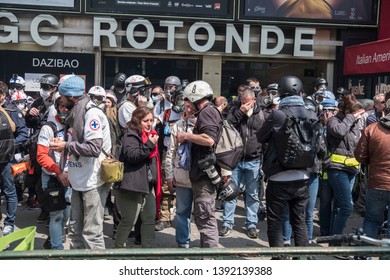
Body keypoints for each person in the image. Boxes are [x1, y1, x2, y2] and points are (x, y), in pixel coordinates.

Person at [49, 75, 112, 249]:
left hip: (93, 180)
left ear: (71, 96)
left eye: (62, 96)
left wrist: (66, 145)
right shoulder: (75, 113)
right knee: (75, 232)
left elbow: (93, 149)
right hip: (79, 179)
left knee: (92, 234)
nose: (60, 100)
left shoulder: (91, 113)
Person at [257, 75, 318, 250]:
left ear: (281, 94)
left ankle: (279, 259)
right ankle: (302, 259)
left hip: (278, 177)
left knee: (275, 222)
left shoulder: (278, 114)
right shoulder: (311, 114)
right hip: (303, 176)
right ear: (300, 93)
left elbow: (260, 136)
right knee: (299, 221)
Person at [177, 80, 222, 248]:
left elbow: (209, 140)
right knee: (204, 217)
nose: (187, 103)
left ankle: (209, 259)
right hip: (204, 174)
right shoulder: (209, 111)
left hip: (204, 177)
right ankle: (207, 254)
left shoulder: (206, 112)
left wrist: (186, 136)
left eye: (188, 99)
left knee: (205, 218)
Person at [219, 88, 265, 239]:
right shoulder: (235, 111)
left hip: (254, 160)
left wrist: (262, 159)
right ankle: (227, 223)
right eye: (243, 102)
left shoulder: (261, 115)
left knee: (252, 195)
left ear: (254, 100)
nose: (245, 105)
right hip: (236, 160)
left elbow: (265, 138)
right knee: (231, 192)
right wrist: (240, 111)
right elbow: (227, 124)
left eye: (247, 103)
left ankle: (251, 224)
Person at [114, 106, 160, 248]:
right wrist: (149, 145)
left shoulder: (150, 135)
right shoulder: (129, 135)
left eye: (151, 120)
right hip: (131, 185)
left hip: (148, 184)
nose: (149, 123)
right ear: (137, 121)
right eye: (146, 120)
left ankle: (148, 252)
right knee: (129, 220)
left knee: (149, 219)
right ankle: (118, 251)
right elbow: (133, 156)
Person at [325, 93, 365, 241]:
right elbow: (339, 131)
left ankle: (332, 240)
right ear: (348, 112)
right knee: (347, 207)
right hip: (337, 169)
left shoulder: (356, 123)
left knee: (339, 207)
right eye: (357, 115)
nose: (360, 118)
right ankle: (337, 242)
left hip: (351, 170)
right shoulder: (333, 121)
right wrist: (351, 117)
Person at [37, 94, 71, 249]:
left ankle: (53, 238)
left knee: (66, 214)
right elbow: (41, 156)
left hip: (71, 176)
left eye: (68, 106)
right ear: (57, 107)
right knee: (56, 215)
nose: (65, 109)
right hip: (52, 176)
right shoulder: (48, 127)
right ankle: (58, 250)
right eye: (62, 106)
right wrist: (58, 172)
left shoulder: (74, 126)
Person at [354, 99, 390, 239]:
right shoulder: (372, 128)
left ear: (383, 111)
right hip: (377, 182)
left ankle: (367, 255)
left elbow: (360, 156)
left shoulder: (372, 128)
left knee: (371, 221)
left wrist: (373, 161)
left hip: (377, 183)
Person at [25, 73, 59, 217]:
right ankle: (45, 210)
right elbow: (29, 123)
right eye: (42, 87)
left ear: (54, 88)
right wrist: (29, 114)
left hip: (55, 144)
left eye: (46, 87)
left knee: (56, 180)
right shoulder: (38, 102)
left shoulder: (60, 102)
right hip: (38, 145)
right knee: (39, 182)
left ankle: (57, 211)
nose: (43, 90)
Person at [154, 76, 184, 231]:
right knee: (166, 183)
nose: (169, 91)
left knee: (184, 184)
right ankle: (165, 216)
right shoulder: (162, 107)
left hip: (184, 150)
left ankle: (181, 214)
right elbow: (155, 123)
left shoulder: (188, 107)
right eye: (167, 87)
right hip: (167, 150)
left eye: (172, 88)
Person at [165, 101, 196, 248]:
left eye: (191, 106)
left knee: (203, 215)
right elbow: (170, 152)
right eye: (186, 106)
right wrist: (169, 176)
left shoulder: (207, 123)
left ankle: (207, 247)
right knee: (182, 212)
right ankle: (183, 244)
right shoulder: (178, 125)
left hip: (201, 178)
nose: (188, 110)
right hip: (182, 177)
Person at [0, 78, 29, 235]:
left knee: (9, 191)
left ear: (3, 95)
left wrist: (10, 147)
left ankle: (9, 223)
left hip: (7, 160)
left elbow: (23, 134)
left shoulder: (12, 110)